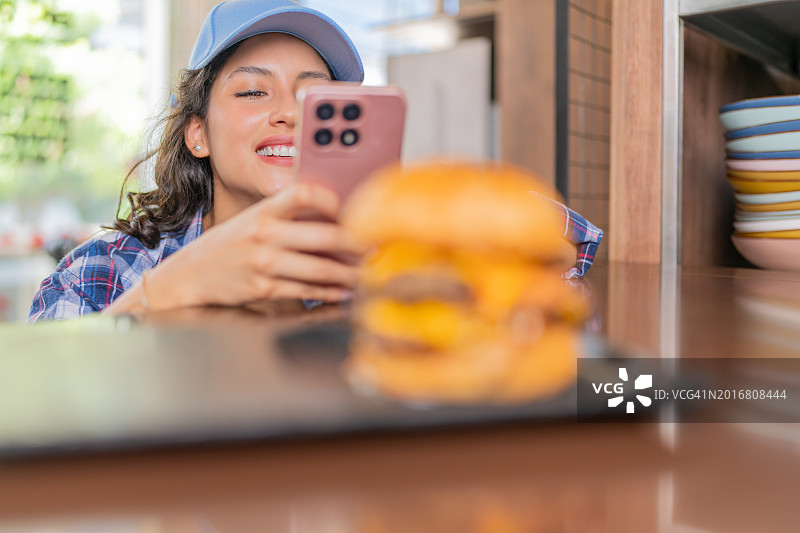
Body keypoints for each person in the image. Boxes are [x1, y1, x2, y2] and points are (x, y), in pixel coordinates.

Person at [28, 0, 602, 324]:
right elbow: (39, 399)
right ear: (197, 134)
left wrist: (400, 203)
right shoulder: (108, 269)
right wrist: (162, 292)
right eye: (253, 92)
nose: (288, 114)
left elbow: (570, 244)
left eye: (314, 99)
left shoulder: (384, 249)